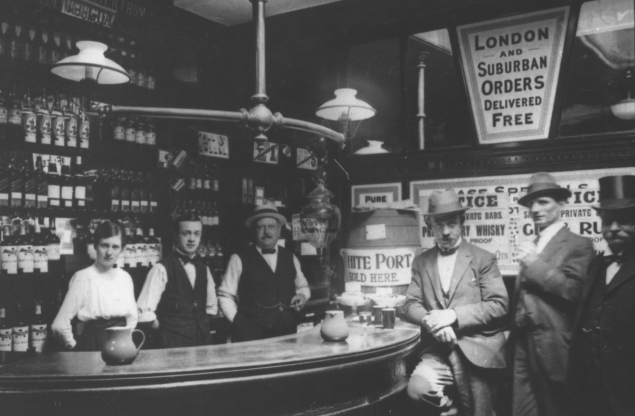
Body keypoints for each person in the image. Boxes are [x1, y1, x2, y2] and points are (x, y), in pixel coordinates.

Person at [404, 189, 509, 416]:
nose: (445, 231)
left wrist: (452, 316)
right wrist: (431, 322)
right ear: (429, 225)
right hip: (439, 351)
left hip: (478, 350)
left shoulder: (483, 258)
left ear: (462, 222)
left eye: (451, 223)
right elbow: (410, 303)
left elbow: (499, 305)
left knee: (480, 411)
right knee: (417, 390)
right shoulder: (421, 262)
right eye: (438, 224)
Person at [512, 172, 594, 416]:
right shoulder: (534, 243)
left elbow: (574, 291)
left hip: (553, 346)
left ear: (561, 204)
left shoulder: (579, 244)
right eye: (531, 203)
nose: (535, 209)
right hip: (522, 343)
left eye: (543, 201)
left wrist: (534, 263)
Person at [567, 175, 635, 416]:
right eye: (608, 221)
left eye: (624, 221)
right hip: (593, 388)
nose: (614, 228)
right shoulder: (596, 265)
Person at [218, 203, 310, 342]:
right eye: (261, 227)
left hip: (287, 332)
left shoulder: (290, 257)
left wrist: (302, 296)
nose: (267, 232)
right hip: (251, 337)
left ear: (279, 231)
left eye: (271, 227)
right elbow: (225, 296)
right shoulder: (238, 258)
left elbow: (303, 286)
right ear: (254, 231)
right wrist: (239, 323)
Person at [51, 221, 137, 351]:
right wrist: (75, 348)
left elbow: (133, 317)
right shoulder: (83, 278)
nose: (109, 252)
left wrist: (126, 341)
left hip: (122, 346)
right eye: (104, 245)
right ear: (95, 246)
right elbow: (59, 325)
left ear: (122, 249)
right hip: (93, 345)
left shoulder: (125, 278)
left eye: (115, 247)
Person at [137, 214, 218, 348]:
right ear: (175, 235)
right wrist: (164, 333)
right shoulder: (161, 269)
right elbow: (144, 313)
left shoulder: (204, 269)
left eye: (196, 234)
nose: (192, 239)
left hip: (203, 342)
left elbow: (211, 308)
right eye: (186, 233)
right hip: (173, 344)